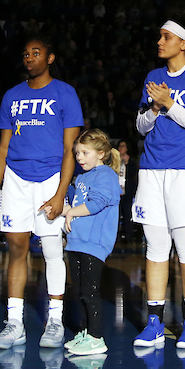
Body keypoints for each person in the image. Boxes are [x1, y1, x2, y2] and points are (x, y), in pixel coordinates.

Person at [0, 35, 83, 350]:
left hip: (50, 179)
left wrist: (60, 193)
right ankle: (15, 322)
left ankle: (54, 320)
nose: (29, 58)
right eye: (26, 53)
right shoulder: (11, 96)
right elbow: (1, 148)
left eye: (36, 52)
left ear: (50, 58)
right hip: (15, 179)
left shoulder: (66, 94)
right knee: (16, 249)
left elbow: (71, 148)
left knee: (53, 250)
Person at [132, 9, 185, 351]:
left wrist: (167, 103)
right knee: (154, 248)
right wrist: (153, 110)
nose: (159, 41)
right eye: (160, 36)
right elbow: (140, 127)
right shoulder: (153, 74)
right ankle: (154, 323)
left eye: (166, 37)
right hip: (151, 169)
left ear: (184, 43)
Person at [62, 128, 122, 356]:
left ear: (101, 153)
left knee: (90, 292)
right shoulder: (82, 178)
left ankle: (97, 338)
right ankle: (85, 332)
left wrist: (70, 213)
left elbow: (97, 203)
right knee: (78, 292)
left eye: (85, 153)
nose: (79, 158)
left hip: (93, 244)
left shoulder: (105, 175)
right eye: (77, 153)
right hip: (76, 242)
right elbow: (76, 202)